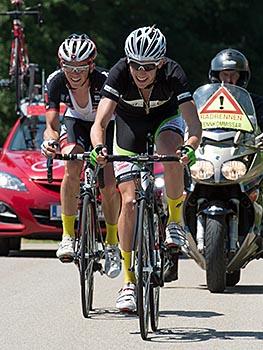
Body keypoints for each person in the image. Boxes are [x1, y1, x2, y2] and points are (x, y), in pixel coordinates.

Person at [90, 25, 202, 312]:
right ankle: (128, 282)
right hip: (129, 128)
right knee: (128, 199)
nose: (141, 71)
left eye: (148, 67)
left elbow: (193, 123)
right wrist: (99, 148)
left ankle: (175, 221)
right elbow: (100, 123)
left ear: (160, 63)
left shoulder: (174, 73)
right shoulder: (118, 73)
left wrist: (190, 145)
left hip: (165, 123)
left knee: (170, 151)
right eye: (135, 65)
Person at [41, 34, 121, 278]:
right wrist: (49, 141)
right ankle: (67, 235)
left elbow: (107, 120)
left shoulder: (105, 81)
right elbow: (52, 125)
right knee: (71, 163)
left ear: (91, 66)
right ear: (61, 65)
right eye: (68, 67)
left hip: (105, 125)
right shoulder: (55, 81)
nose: (74, 73)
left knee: (107, 185)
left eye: (80, 67)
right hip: (75, 121)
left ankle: (111, 243)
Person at [209, 48, 263, 132]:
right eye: (225, 74)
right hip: (207, 144)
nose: (229, 80)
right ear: (216, 76)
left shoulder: (256, 103)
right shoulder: (205, 101)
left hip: (243, 144)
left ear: (241, 77)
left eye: (234, 75)